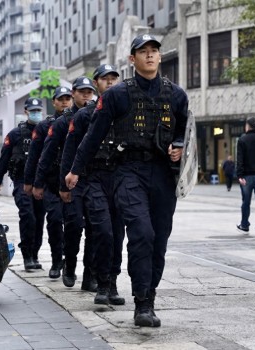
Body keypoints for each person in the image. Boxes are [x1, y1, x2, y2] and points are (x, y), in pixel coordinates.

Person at [65, 34, 189, 327]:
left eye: (154, 51)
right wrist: (74, 171)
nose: (149, 56)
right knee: (141, 233)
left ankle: (150, 295)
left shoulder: (177, 95)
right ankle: (141, 304)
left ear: (159, 57)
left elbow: (186, 131)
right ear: (132, 59)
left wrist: (180, 145)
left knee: (158, 240)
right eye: (143, 52)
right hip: (128, 172)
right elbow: (92, 137)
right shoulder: (116, 95)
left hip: (162, 175)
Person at [61, 64, 125, 305]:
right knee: (102, 232)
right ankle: (101, 282)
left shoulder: (124, 111)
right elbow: (70, 151)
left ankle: (113, 283)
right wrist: (66, 183)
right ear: (97, 83)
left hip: (120, 180)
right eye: (104, 79)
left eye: (113, 78)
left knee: (118, 234)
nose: (109, 83)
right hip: (92, 179)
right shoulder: (84, 115)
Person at [33, 76, 97, 292]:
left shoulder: (99, 116)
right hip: (69, 182)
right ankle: (68, 264)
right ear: (74, 94)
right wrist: (40, 183)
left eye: (89, 91)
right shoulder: (61, 123)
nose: (86, 95)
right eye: (81, 92)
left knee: (96, 228)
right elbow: (47, 153)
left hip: (95, 179)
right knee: (73, 226)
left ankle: (90, 275)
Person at [24, 87, 72, 278]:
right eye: (61, 99)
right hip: (51, 182)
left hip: (73, 182)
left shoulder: (80, 120)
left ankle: (70, 260)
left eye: (67, 98)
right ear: (54, 102)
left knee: (74, 224)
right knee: (53, 220)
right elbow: (35, 156)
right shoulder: (44, 127)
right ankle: (56, 260)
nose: (64, 102)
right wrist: (33, 183)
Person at [0, 97, 46, 271]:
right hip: (21, 181)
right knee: (28, 215)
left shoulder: (47, 131)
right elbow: (5, 157)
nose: (36, 113)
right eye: (33, 110)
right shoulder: (15, 134)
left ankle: (35, 253)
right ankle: (27, 256)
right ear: (26, 112)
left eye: (39, 110)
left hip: (41, 182)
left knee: (39, 219)